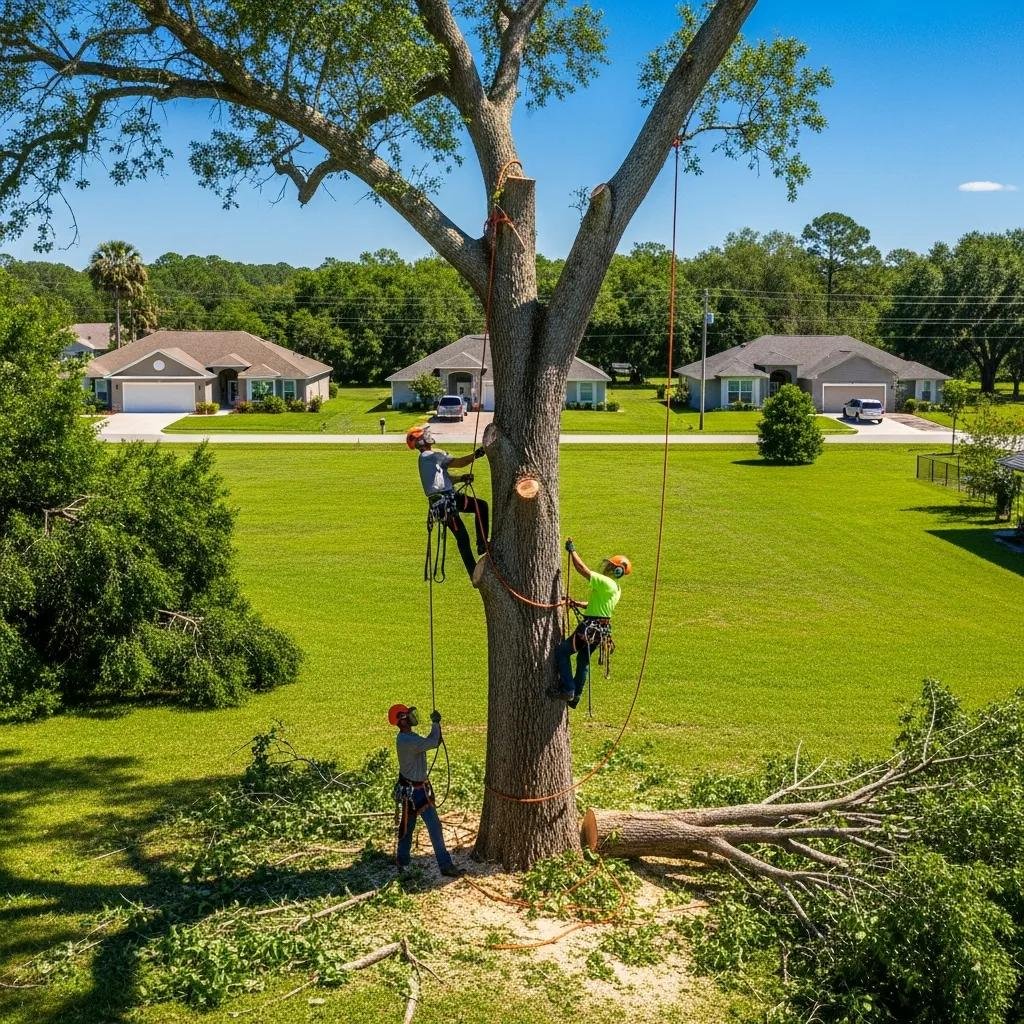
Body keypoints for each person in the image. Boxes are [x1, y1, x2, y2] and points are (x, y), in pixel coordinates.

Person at [549, 538, 632, 708]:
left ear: (616, 570)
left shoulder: (605, 582)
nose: (607, 567)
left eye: (610, 566)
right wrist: (578, 603)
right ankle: (576, 696)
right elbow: (597, 605)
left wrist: (572, 551)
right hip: (600, 630)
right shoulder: (616, 589)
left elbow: (583, 570)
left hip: (590, 627)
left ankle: (568, 689)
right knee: (583, 660)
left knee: (562, 652)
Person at [389, 703, 465, 878]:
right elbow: (433, 742)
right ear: (402, 720)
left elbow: (431, 741)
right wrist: (436, 724)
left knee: (408, 825)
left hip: (413, 788)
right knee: (433, 826)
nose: (411, 717)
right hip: (416, 792)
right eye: (408, 715)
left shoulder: (408, 738)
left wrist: (436, 727)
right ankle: (445, 865)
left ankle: (402, 860)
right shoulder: (408, 741)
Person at [407, 425, 489, 579]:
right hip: (446, 503)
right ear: (423, 441)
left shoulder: (426, 459)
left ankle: (482, 546)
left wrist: (460, 478)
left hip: (446, 500)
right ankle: (476, 562)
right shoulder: (432, 456)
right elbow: (458, 462)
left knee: (480, 507)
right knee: (463, 536)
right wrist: (477, 454)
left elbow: (444, 479)